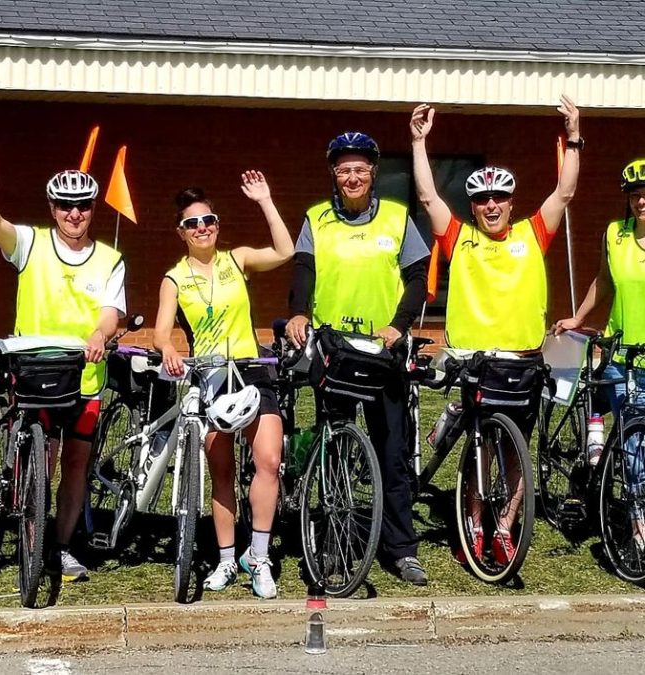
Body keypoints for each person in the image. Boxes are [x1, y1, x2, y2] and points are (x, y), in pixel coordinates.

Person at [411, 95, 581, 564]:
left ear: (510, 202)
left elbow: (564, 194)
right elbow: (427, 196)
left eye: (498, 197)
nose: (490, 206)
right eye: (481, 199)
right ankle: (474, 524)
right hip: (476, 363)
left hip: (524, 362)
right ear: (473, 204)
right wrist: (418, 142)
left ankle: (505, 526)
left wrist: (574, 136)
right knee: (481, 450)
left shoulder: (532, 232)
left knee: (517, 454)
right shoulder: (459, 238)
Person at [0, 157, 126, 582]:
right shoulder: (31, 243)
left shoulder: (110, 259)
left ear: (92, 209)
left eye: (83, 205)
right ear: (52, 208)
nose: (75, 214)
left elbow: (110, 314)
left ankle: (63, 547)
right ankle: (27, 525)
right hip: (33, 374)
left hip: (84, 377)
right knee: (42, 462)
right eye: (66, 205)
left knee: (75, 465)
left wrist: (99, 336)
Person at [286, 132, 431, 586]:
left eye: (361, 169)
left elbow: (416, 276)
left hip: (384, 349)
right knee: (333, 451)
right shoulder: (316, 219)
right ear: (334, 174)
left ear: (373, 173)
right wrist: (296, 312)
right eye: (344, 169)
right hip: (335, 348)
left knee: (391, 453)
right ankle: (334, 543)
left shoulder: (396, 217)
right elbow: (304, 270)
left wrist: (399, 325)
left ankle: (401, 549)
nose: (353, 176)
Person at [153, 173, 294, 599]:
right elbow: (161, 331)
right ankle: (227, 558)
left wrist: (266, 200)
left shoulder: (238, 260)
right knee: (222, 473)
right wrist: (168, 350)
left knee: (269, 460)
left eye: (208, 220)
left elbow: (286, 250)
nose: (202, 228)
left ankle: (260, 556)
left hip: (250, 370)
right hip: (210, 375)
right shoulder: (173, 278)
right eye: (193, 223)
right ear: (181, 231)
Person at [554, 158, 645, 547]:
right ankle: (640, 524)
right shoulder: (615, 234)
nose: (641, 201)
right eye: (634, 195)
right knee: (634, 447)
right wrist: (578, 317)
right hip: (622, 355)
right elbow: (605, 281)